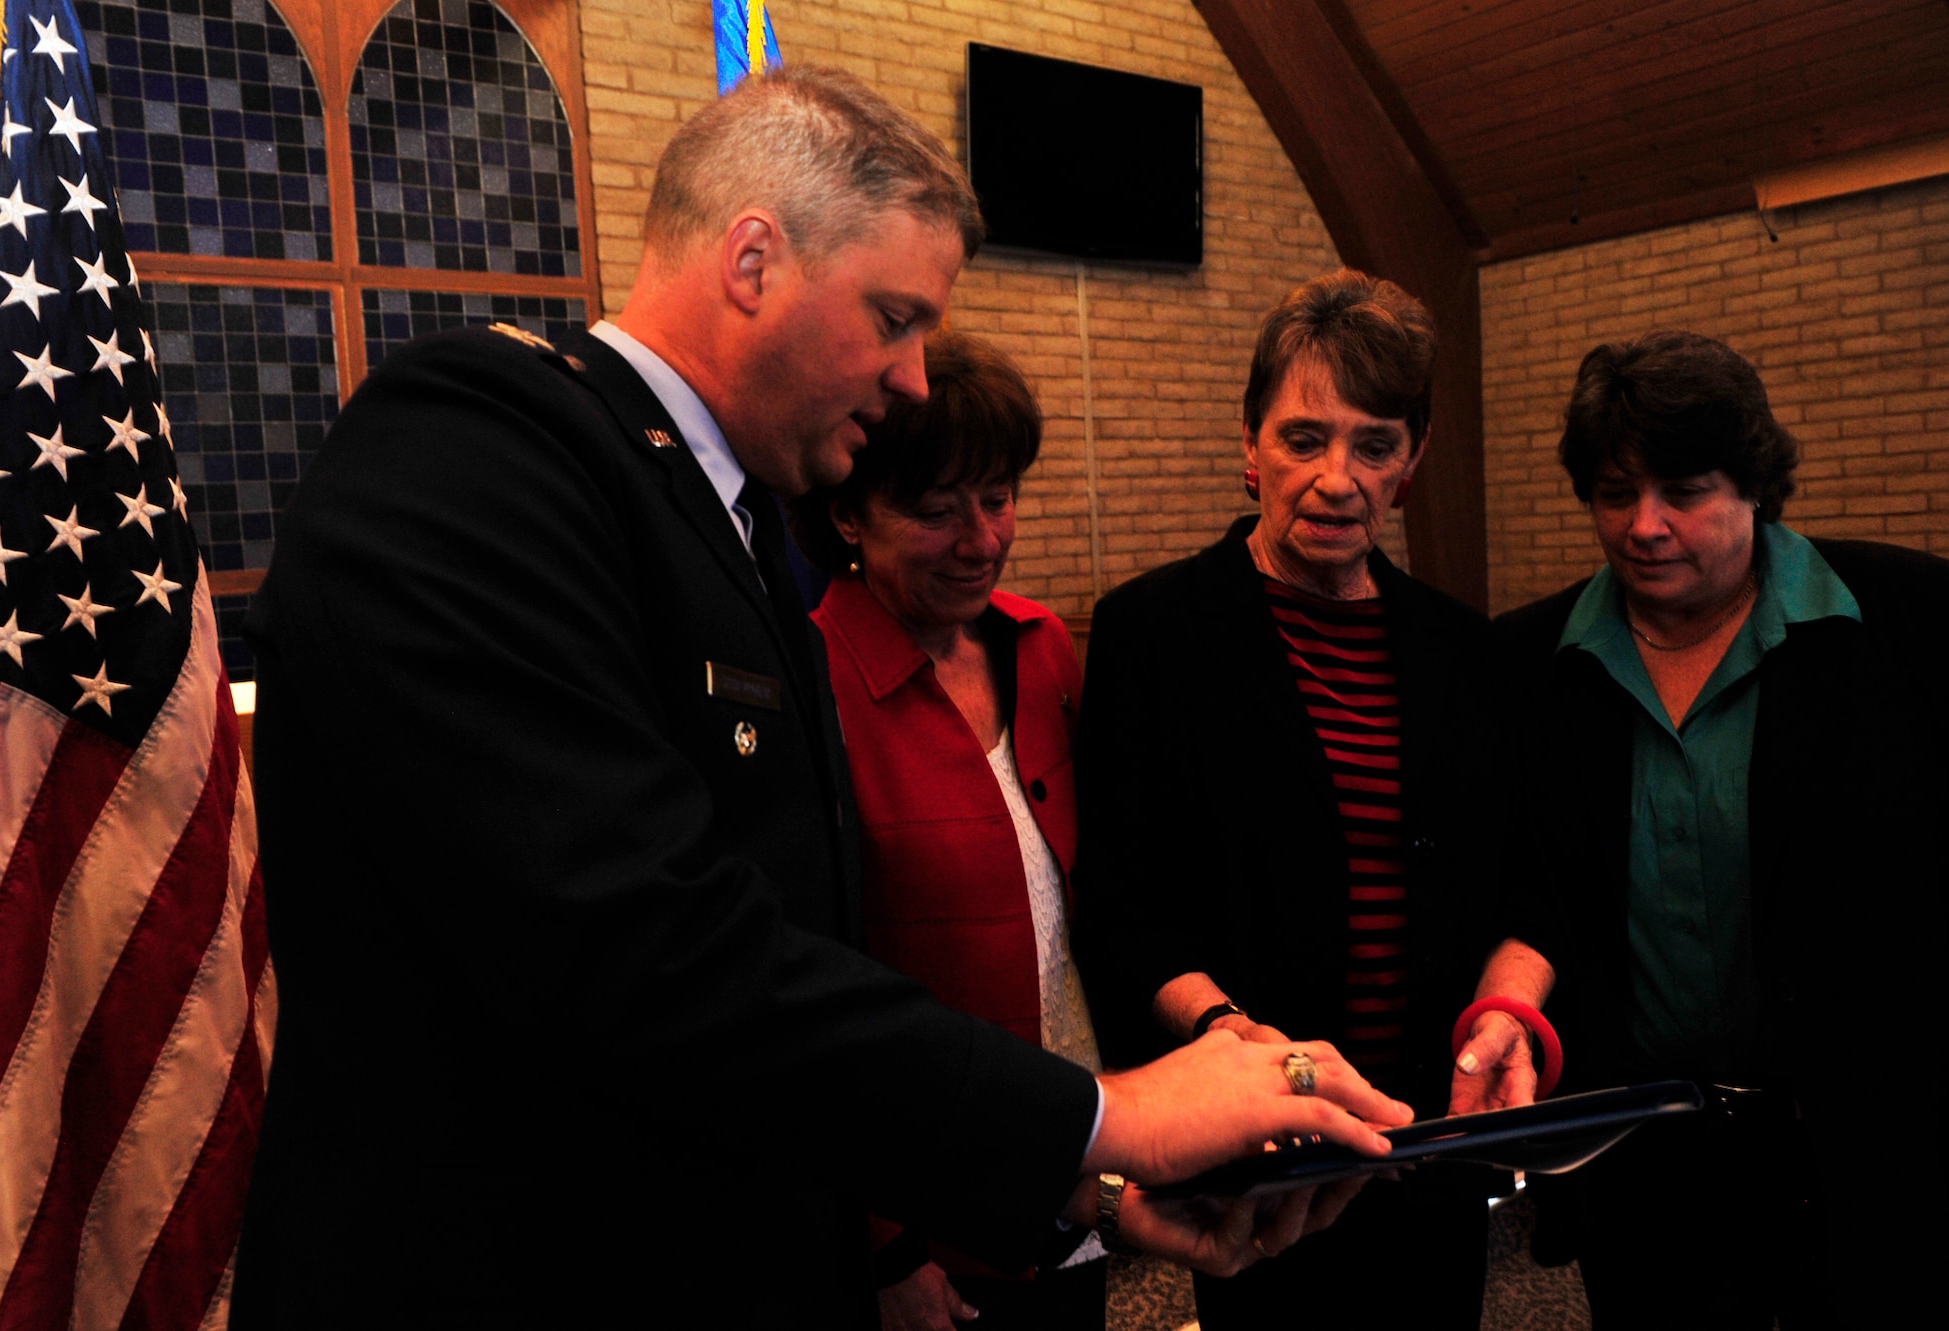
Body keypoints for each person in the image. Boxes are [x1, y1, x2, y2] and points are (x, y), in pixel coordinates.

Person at [231, 67, 1413, 1330]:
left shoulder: (722, 526)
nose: (913, 379)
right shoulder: (477, 447)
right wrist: (1105, 1113)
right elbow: (645, 951)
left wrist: (1079, 1188)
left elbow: (795, 977)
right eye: (894, 317)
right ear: (753, 261)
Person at [1459, 330, 1949, 1327]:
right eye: (1614, 494)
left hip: (1876, 1147)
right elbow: (1535, 889)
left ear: (1752, 483)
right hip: (1647, 1161)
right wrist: (1508, 1009)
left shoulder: (1926, 626)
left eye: (1684, 490)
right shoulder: (1532, 666)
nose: (1644, 525)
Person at [1076, 269, 1504, 1329]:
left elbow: (1501, 878)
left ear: (1412, 459)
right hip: (1259, 1142)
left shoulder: (1459, 647)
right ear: (1248, 443)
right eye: (1303, 437)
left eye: (1373, 443)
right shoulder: (1153, 630)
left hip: (1424, 1135)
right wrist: (1237, 1041)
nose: (1335, 477)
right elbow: (1123, 903)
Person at [793, 329, 1107, 1330]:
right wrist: (883, 1245)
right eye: (935, 511)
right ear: (847, 511)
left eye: (998, 497)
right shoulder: (808, 680)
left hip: (1068, 1167)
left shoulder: (1040, 644)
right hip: (928, 1216)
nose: (981, 539)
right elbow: (801, 991)